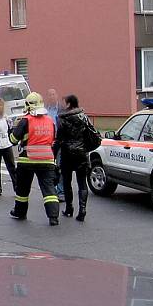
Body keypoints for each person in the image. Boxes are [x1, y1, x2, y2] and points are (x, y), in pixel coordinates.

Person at [9, 92, 60, 226]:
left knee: (23, 190)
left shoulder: (25, 120)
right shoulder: (50, 121)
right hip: (47, 160)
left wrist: (13, 129)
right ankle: (53, 217)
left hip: (27, 160)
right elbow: (53, 140)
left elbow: (13, 140)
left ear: (28, 105)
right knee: (49, 190)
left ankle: (19, 212)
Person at [56, 94, 91, 222]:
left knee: (66, 181)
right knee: (82, 182)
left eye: (64, 102)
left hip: (67, 153)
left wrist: (54, 154)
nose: (62, 105)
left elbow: (58, 139)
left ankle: (69, 208)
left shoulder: (63, 119)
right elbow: (90, 134)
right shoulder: (84, 117)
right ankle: (82, 209)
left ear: (69, 104)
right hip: (81, 152)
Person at [45, 88, 64, 201]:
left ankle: (61, 191)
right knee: (49, 167)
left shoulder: (62, 110)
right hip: (48, 142)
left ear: (57, 95)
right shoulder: (45, 110)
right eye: (49, 95)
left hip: (60, 141)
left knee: (60, 166)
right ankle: (51, 190)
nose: (51, 96)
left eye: (53, 94)